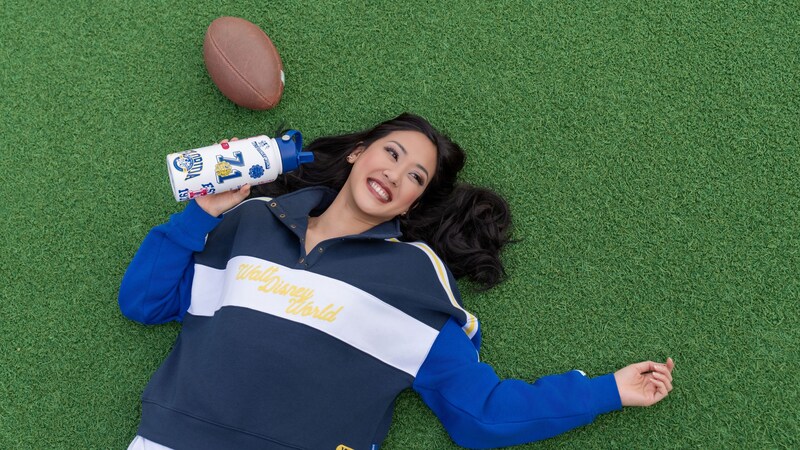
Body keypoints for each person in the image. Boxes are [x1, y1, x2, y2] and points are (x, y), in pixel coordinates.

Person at [119, 113, 675, 450]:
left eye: (415, 175)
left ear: (415, 200)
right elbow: (145, 301)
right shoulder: (250, 221)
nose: (395, 173)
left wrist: (608, 391)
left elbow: (478, 414)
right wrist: (201, 214)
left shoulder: (417, 282)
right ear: (359, 154)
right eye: (392, 152)